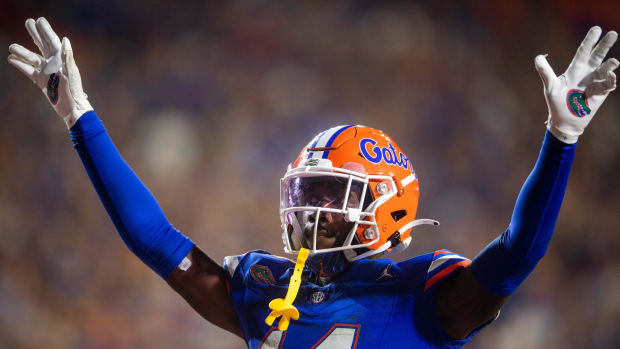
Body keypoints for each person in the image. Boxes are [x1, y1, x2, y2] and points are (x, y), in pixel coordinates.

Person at [7, 17, 618, 348]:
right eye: (309, 190)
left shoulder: (426, 298)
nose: (310, 207)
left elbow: (517, 255)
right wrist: (78, 117)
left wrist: (560, 139)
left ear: (389, 210)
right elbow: (159, 243)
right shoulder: (265, 290)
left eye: (333, 194)